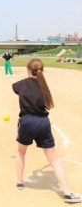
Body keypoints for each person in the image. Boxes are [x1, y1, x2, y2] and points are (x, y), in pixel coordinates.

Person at [12, 59, 80, 203]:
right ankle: (67, 192)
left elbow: (15, 87)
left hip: (27, 122)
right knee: (54, 160)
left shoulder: (21, 84)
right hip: (43, 123)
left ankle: (19, 182)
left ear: (29, 70)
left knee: (21, 152)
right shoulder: (44, 86)